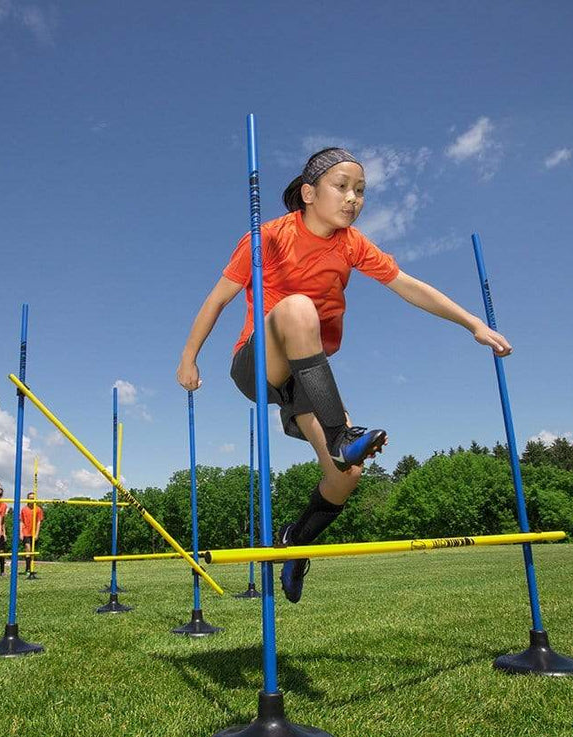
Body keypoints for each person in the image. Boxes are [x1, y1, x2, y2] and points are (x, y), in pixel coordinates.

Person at [176, 147, 512, 604]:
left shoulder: (352, 243)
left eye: (361, 191)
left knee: (347, 473)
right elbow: (217, 299)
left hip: (307, 374)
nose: (353, 198)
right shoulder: (268, 237)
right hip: (259, 361)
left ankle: (296, 541)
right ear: (309, 193)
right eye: (342, 187)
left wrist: (473, 323)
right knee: (296, 307)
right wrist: (188, 358)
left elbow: (409, 286)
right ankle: (340, 432)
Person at [20, 492, 44, 574]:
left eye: (33, 498)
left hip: (33, 532)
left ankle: (31, 567)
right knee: (28, 549)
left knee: (32, 551)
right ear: (27, 499)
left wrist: (37, 533)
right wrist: (21, 532)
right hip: (26, 532)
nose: (32, 500)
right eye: (30, 498)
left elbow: (38, 522)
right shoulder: (24, 509)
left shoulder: (38, 509)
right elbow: (21, 521)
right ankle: (27, 568)